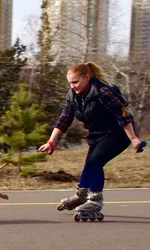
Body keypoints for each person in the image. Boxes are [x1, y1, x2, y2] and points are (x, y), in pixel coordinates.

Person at [38, 61, 142, 216]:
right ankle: (81, 196)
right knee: (89, 165)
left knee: (95, 163)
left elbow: (123, 116)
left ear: (87, 77)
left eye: (75, 82)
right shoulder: (73, 95)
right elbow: (64, 119)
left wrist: (133, 138)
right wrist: (51, 141)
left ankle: (95, 201)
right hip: (97, 134)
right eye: (70, 83)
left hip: (118, 133)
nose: (72, 86)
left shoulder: (103, 92)